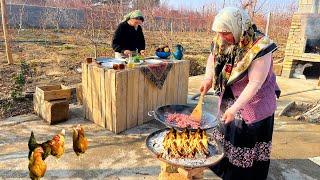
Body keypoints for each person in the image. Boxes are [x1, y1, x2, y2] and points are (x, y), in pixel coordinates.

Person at [199, 7, 280, 180]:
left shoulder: (260, 46)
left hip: (254, 102)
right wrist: (207, 79)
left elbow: (255, 84)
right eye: (220, 33)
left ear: (238, 27)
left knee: (244, 138)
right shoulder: (221, 40)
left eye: (226, 33)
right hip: (230, 97)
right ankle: (223, 170)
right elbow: (212, 59)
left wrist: (235, 109)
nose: (222, 37)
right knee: (226, 134)